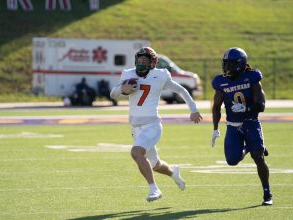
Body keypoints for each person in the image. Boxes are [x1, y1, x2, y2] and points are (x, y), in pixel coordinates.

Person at [110, 47, 202, 202]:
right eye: (139, 59)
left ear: (153, 63)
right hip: (135, 127)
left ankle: (154, 189)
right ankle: (174, 173)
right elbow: (113, 94)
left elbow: (182, 91)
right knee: (155, 165)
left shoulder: (160, 75)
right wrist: (121, 88)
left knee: (136, 152)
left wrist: (194, 110)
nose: (141, 63)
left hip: (152, 125)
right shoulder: (128, 74)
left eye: (145, 60)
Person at [211, 47, 272, 205]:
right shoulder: (220, 82)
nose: (227, 67)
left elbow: (262, 105)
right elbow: (216, 107)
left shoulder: (252, 77)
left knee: (258, 157)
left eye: (230, 64)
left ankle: (267, 193)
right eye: (225, 64)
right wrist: (215, 128)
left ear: (240, 64)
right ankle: (249, 147)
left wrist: (247, 108)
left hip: (251, 122)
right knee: (232, 160)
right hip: (233, 125)